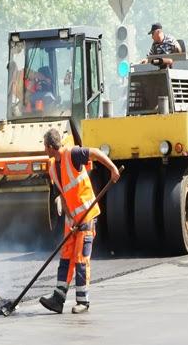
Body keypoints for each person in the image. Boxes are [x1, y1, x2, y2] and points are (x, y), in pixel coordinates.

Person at [39, 128, 120, 314]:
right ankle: (58, 299)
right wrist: (69, 217)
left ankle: (83, 301)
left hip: (86, 214)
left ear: (51, 147)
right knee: (66, 256)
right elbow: (63, 194)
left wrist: (113, 169)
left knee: (80, 259)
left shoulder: (73, 154)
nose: (44, 150)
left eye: (45, 146)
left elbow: (96, 153)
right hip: (72, 220)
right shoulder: (53, 167)